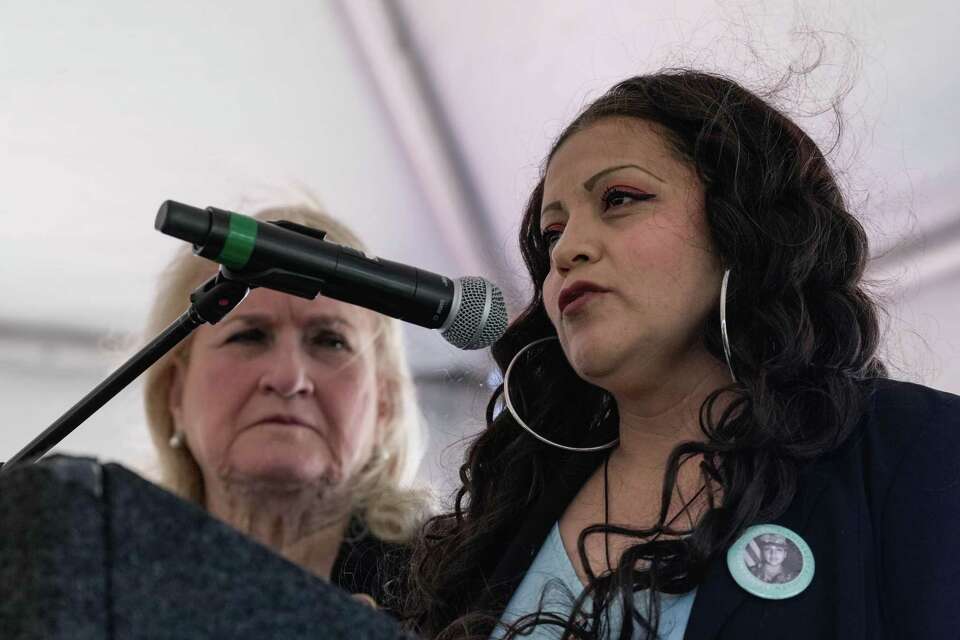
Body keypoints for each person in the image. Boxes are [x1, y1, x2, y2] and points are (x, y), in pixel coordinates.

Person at [403, 70, 960, 639]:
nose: (567, 250)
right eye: (552, 233)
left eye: (620, 199)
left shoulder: (917, 450)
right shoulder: (504, 519)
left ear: (742, 226)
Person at [142, 203, 428, 610]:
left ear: (385, 402)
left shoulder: (454, 587)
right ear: (174, 392)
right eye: (249, 336)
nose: (289, 378)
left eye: (330, 341)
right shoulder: (104, 582)